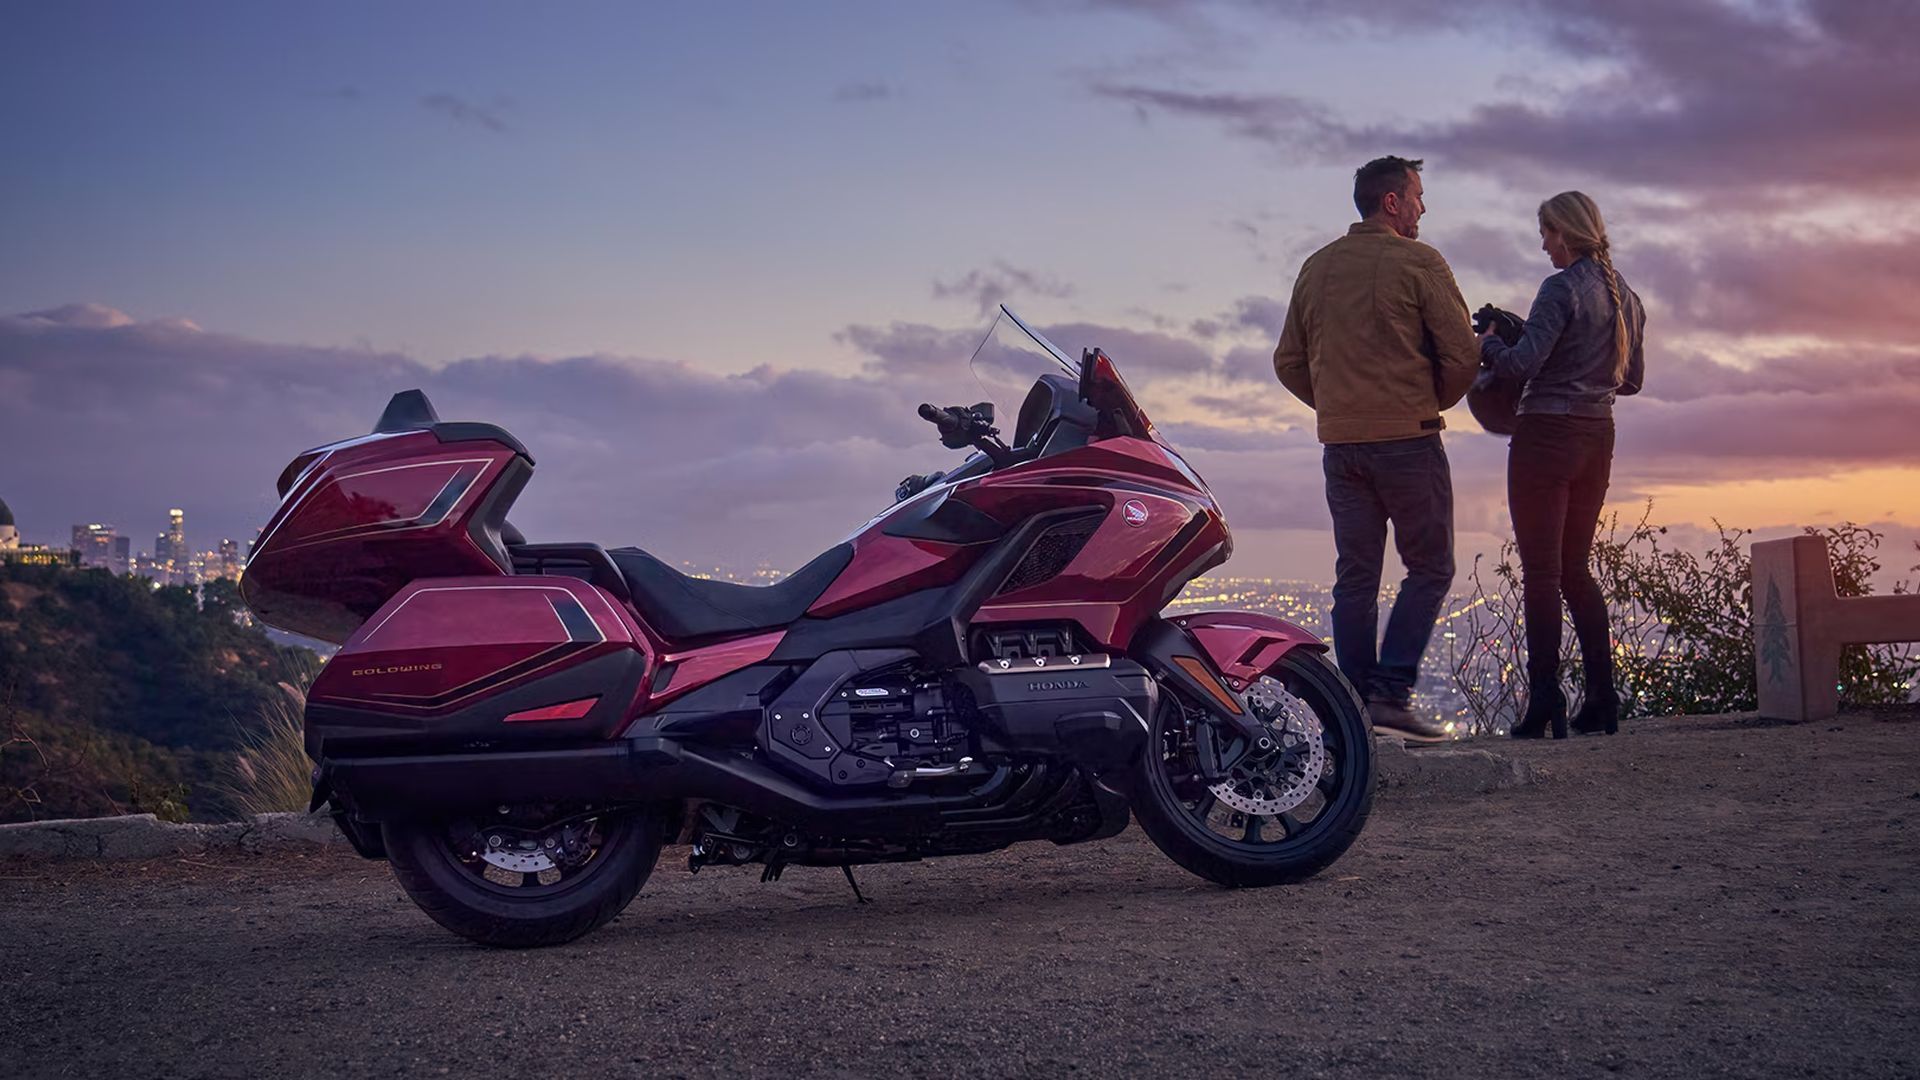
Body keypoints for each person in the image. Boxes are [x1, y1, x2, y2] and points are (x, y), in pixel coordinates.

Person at [1274, 156, 1479, 743]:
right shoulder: (1419, 261)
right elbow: (1463, 355)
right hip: (1408, 442)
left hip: (1341, 447)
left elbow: (1288, 362)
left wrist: (1340, 407)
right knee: (1432, 566)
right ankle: (1390, 695)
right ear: (1391, 202)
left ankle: (1355, 710)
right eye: (1417, 195)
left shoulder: (1315, 268)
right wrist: (1421, 399)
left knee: (1356, 577)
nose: (1423, 207)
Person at [1478, 191, 1646, 739]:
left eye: (1548, 233)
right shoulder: (1628, 297)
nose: (1544, 244)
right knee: (1575, 569)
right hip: (1597, 437)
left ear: (1568, 233)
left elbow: (1522, 366)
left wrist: (1491, 345)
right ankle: (1602, 700)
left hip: (1545, 436)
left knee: (1544, 574)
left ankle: (1544, 701)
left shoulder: (1560, 288)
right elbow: (1632, 380)